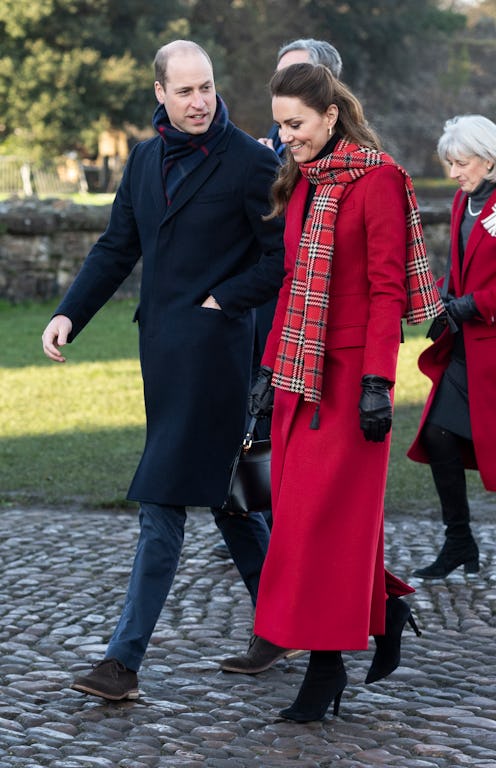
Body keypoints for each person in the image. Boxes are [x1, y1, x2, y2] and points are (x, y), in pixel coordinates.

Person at [41, 39, 286, 702]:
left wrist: (224, 300)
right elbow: (116, 247)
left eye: (206, 87)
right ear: (160, 93)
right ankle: (284, 623)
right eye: (185, 91)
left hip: (220, 360)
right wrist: (69, 314)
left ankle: (122, 663)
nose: (200, 101)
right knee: (230, 499)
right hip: (163, 359)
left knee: (162, 500)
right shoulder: (145, 161)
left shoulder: (251, 162)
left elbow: (281, 257)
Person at [220, 63, 443, 722]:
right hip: (298, 377)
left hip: (350, 383)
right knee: (302, 521)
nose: (285, 136)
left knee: (319, 526)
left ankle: (325, 670)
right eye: (280, 125)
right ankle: (385, 607)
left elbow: (386, 290)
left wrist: (378, 381)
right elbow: (293, 282)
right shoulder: (302, 180)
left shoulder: (378, 180)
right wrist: (267, 371)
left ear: (330, 115)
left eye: (296, 124)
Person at [213, 37, 344, 562]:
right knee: (257, 419)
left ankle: (296, 540)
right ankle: (257, 522)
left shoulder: (340, 157)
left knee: (306, 440)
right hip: (265, 306)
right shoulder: (270, 147)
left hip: (319, 318)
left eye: (298, 75)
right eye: (280, 74)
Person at [408, 115, 496, 579]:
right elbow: (462, 268)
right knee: (438, 433)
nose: (453, 173)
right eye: (450, 163)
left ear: (489, 159)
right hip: (467, 348)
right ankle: (459, 540)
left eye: (461, 163)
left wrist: (471, 305)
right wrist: (439, 296)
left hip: (491, 347)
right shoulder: (464, 200)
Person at [258, 38, 343, 155]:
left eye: (295, 125)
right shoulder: (279, 127)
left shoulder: (347, 152)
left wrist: (270, 164)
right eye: (279, 75)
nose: (282, 81)